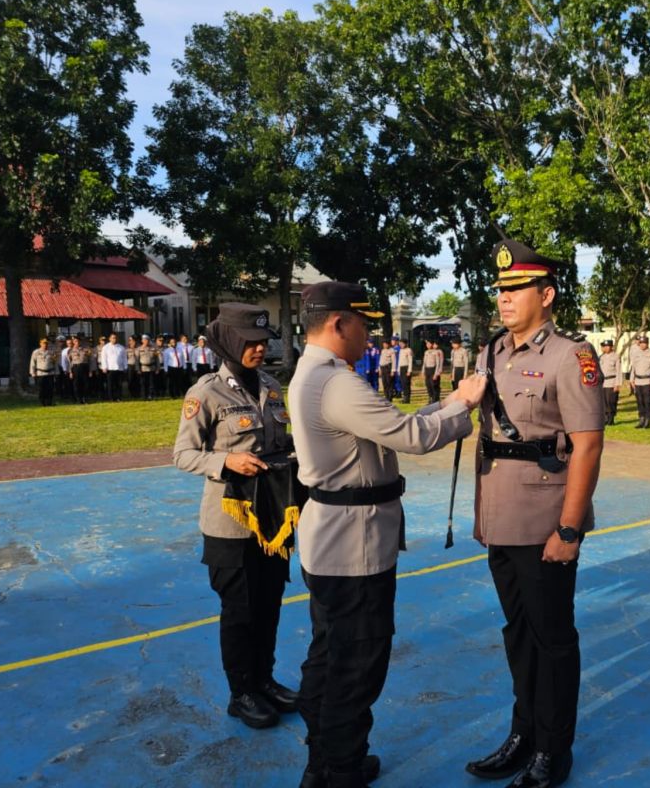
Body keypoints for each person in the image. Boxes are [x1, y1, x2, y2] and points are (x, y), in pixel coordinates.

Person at [289, 281, 485, 788]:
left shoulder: (316, 373)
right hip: (353, 544)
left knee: (328, 654)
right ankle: (341, 768)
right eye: (364, 324)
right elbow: (412, 438)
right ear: (339, 323)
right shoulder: (337, 383)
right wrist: (462, 405)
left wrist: (446, 409)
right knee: (357, 664)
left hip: (331, 538)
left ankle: (323, 760)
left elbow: (392, 425)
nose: (368, 334)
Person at [466, 239, 604, 788]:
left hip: (546, 522)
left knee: (552, 637)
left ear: (545, 295)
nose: (503, 298)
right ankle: (522, 734)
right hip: (501, 516)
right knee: (517, 633)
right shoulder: (493, 351)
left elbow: (588, 446)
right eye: (500, 290)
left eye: (515, 289)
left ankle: (553, 749)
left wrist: (569, 529)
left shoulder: (572, 357)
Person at [173, 304, 300, 732]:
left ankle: (264, 680)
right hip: (229, 523)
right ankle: (241, 692)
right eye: (251, 342)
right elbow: (183, 454)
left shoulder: (271, 386)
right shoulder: (205, 393)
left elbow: (281, 442)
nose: (260, 349)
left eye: (264, 342)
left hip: (271, 519)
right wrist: (227, 460)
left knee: (269, 606)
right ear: (228, 342)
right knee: (240, 610)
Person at [628, 334, 650, 428]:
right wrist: (631, 379)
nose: (642, 345)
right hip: (637, 381)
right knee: (639, 401)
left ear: (647, 344)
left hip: (647, 381)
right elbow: (633, 367)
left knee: (647, 401)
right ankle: (641, 419)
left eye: (644, 343)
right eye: (641, 343)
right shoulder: (636, 353)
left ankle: (647, 420)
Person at [29, 338, 58, 406]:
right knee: (41, 389)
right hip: (40, 373)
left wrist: (56, 372)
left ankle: (49, 402)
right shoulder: (36, 352)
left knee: (50, 388)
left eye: (46, 343)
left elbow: (55, 363)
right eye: (43, 343)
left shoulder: (51, 352)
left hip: (50, 373)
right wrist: (32, 372)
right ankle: (42, 402)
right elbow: (32, 362)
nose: (45, 345)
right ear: (40, 344)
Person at [100, 332, 127, 401]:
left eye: (115, 338)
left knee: (119, 384)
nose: (114, 339)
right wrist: (104, 367)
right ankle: (111, 398)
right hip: (110, 368)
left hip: (119, 368)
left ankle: (118, 397)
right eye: (112, 338)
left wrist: (125, 366)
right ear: (109, 339)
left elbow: (124, 358)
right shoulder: (106, 347)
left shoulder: (121, 347)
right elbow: (103, 358)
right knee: (110, 385)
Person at [599, 339, 620, 425]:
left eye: (608, 346)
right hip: (603, 382)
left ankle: (611, 418)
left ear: (611, 347)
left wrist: (617, 384)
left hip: (612, 381)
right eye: (604, 346)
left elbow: (619, 371)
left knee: (611, 401)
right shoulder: (601, 357)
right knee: (604, 402)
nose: (606, 348)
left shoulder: (616, 356)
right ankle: (605, 418)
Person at [66, 335, 91, 404]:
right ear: (73, 342)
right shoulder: (70, 350)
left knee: (86, 384)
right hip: (76, 368)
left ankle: (85, 398)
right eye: (75, 341)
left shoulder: (86, 349)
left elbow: (90, 360)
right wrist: (70, 372)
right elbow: (70, 362)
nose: (76, 342)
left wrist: (90, 370)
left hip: (84, 367)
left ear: (80, 341)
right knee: (76, 384)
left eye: (77, 341)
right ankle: (78, 399)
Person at [136, 334, 160, 400]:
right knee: (143, 383)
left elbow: (157, 359)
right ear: (142, 341)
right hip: (143, 368)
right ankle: (144, 396)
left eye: (147, 340)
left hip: (152, 368)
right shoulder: (139, 349)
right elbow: (137, 360)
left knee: (152, 383)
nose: (146, 341)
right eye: (144, 340)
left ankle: (151, 395)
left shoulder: (153, 348)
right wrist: (138, 369)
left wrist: (158, 368)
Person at [423, 339, 444, 403]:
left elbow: (439, 362)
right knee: (428, 384)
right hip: (427, 369)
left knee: (434, 385)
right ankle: (430, 397)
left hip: (434, 369)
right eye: (427, 344)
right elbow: (424, 362)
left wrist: (437, 372)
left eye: (429, 344)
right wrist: (423, 370)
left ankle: (435, 399)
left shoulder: (437, 352)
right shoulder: (426, 352)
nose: (427, 345)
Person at [379, 334, 397, 401]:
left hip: (388, 368)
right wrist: (379, 369)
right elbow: (381, 360)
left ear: (388, 344)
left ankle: (390, 397)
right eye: (383, 344)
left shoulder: (391, 350)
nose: (384, 345)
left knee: (389, 383)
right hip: (383, 368)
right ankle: (386, 396)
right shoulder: (383, 351)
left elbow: (394, 361)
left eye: (385, 344)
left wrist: (393, 370)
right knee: (384, 383)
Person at [398, 337, 414, 403]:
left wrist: (409, 371)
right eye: (400, 344)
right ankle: (404, 397)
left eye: (402, 343)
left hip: (406, 368)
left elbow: (410, 361)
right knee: (402, 384)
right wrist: (398, 370)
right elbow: (399, 361)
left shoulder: (409, 350)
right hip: (401, 368)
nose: (401, 345)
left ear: (405, 344)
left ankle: (407, 399)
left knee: (406, 384)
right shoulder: (401, 350)